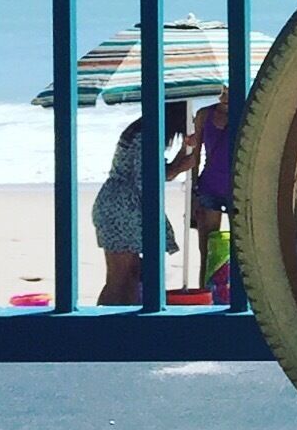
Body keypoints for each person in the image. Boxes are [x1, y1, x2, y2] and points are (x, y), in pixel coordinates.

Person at [92, 99, 194, 307]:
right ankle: (105, 321)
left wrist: (184, 153)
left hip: (119, 205)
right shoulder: (147, 135)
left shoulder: (144, 130)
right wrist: (179, 167)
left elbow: (154, 171)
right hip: (122, 207)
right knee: (121, 277)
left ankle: (120, 319)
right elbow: (146, 179)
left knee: (131, 273)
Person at [190, 87, 233, 292]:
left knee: (242, 249)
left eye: (229, 92)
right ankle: (205, 294)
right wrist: (193, 191)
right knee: (207, 250)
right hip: (209, 186)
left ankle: (237, 295)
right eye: (222, 91)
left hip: (237, 189)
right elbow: (195, 155)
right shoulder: (204, 114)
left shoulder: (246, 114)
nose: (224, 96)